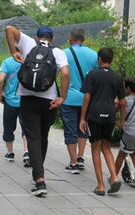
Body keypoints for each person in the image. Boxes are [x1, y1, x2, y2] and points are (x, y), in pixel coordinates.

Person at [5, 25, 70, 196]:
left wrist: (14, 52)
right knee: (43, 136)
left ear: (36, 37)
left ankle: (39, 180)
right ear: (52, 39)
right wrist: (62, 97)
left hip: (28, 99)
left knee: (33, 137)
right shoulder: (58, 52)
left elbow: (9, 29)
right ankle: (38, 173)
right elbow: (64, 74)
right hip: (49, 101)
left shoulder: (28, 45)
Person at [79, 47, 126, 195]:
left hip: (95, 116)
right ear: (111, 60)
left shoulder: (92, 75)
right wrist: (122, 119)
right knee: (107, 147)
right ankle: (114, 176)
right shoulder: (118, 78)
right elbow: (123, 102)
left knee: (95, 148)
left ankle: (100, 186)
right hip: (110, 116)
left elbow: (87, 97)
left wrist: (82, 118)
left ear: (99, 59)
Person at [62, 28, 98, 173]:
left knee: (70, 130)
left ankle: (73, 163)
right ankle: (81, 156)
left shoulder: (65, 53)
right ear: (83, 39)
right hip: (87, 99)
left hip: (69, 99)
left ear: (70, 38)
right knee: (83, 128)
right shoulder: (94, 54)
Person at [0, 53, 30, 167]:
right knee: (27, 127)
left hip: (10, 100)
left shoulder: (7, 61)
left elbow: (0, 80)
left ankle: (10, 153)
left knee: (9, 126)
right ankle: (27, 152)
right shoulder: (29, 60)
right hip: (26, 99)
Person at [115, 77, 135, 180]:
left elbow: (114, 110)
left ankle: (113, 176)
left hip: (129, 132)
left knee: (121, 154)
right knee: (133, 153)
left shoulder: (125, 101)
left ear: (128, 88)